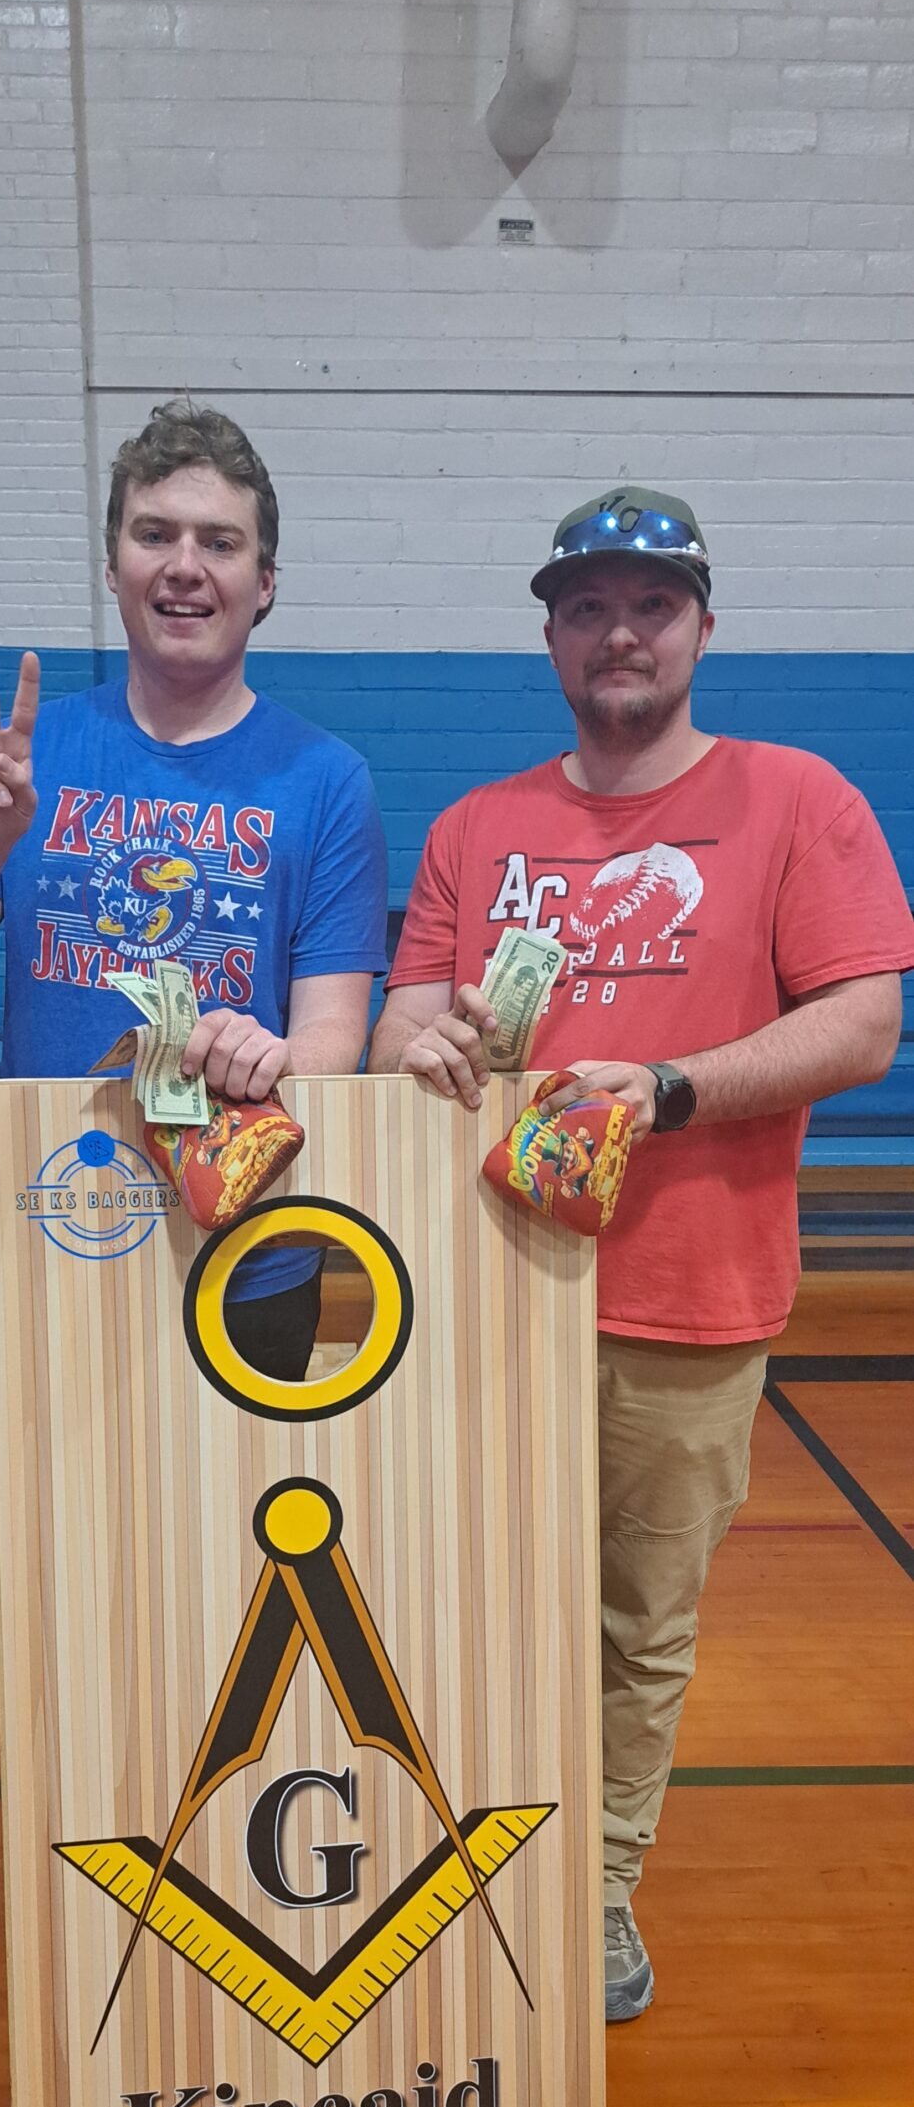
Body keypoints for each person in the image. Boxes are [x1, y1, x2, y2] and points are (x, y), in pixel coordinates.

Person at [369, 484, 914, 2020]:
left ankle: (595, 1888)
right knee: (452, 1598)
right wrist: (424, 1048)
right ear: (551, 636)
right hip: (477, 1296)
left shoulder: (795, 800)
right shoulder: (476, 827)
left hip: (690, 1301)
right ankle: (461, 1862)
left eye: (650, 606)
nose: (619, 633)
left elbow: (862, 1023)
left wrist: (667, 1089)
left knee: (633, 1625)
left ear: (701, 628)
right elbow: (404, 1016)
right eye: (588, 607)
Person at [0, 400, 388, 1378]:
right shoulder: (33, 756)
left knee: (253, 1485)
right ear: (113, 567)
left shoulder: (327, 780)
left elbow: (336, 1027)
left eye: (219, 542)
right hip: (62, 1221)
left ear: (264, 583)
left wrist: (280, 1055)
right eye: (154, 534)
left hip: (251, 1249)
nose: (184, 565)